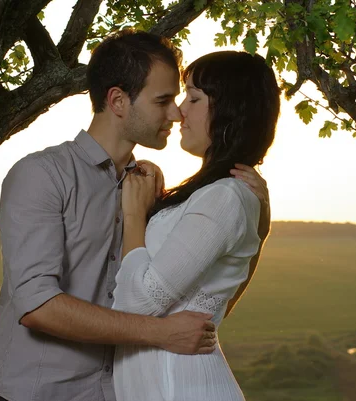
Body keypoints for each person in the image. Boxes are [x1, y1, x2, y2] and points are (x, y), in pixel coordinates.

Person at [0, 30, 220, 401]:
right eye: (163, 100)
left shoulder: (146, 182)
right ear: (118, 100)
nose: (176, 113)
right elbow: (38, 306)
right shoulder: (41, 175)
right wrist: (159, 333)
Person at [112, 50, 280, 400]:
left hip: (182, 388)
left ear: (231, 108)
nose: (178, 111)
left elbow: (138, 303)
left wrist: (134, 217)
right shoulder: (212, 195)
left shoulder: (226, 196)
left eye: (193, 98)